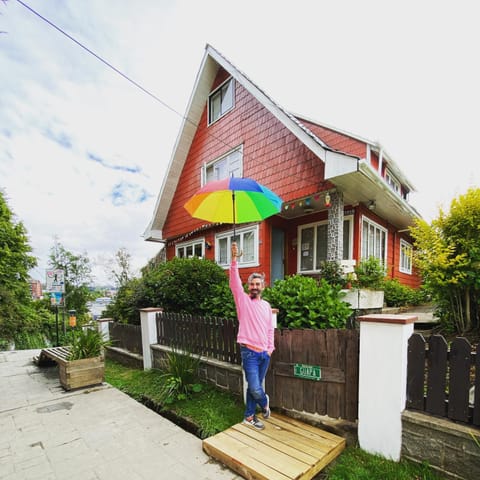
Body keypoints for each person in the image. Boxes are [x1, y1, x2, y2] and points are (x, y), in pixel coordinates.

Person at [229, 242, 274, 430]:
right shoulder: (243, 300)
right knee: (255, 388)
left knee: (251, 387)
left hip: (264, 354)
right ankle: (264, 403)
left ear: (263, 286)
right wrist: (233, 260)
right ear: (248, 286)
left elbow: (270, 329)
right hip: (249, 353)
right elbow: (234, 282)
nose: (254, 286)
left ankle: (249, 416)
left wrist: (270, 349)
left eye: (258, 284)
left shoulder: (266, 306)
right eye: (252, 284)